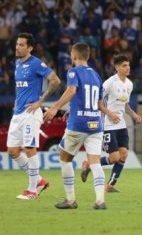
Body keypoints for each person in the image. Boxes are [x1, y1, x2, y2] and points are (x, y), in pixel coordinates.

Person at [43, 42, 106, 209]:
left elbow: (72, 90)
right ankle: (100, 201)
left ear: (74, 56)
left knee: (65, 158)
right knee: (95, 162)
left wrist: (55, 107)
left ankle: (70, 200)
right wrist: (72, 109)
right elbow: (98, 102)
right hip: (95, 124)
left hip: (78, 124)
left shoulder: (73, 71)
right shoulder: (97, 75)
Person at [7, 32, 60, 200]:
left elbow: (55, 81)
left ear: (30, 48)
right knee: (13, 151)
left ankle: (31, 190)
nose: (17, 47)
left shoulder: (36, 63)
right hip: (18, 113)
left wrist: (40, 102)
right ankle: (39, 180)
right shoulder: (17, 63)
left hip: (31, 112)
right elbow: (22, 87)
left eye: (22, 44)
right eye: (17, 44)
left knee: (30, 148)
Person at [80, 55, 142, 193]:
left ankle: (110, 185)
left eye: (129, 65)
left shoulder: (129, 84)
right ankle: (89, 164)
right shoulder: (109, 83)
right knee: (114, 158)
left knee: (124, 154)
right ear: (117, 67)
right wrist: (110, 113)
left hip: (121, 124)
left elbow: (125, 104)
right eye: (124, 66)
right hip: (107, 124)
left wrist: (133, 114)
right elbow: (97, 102)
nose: (128, 68)